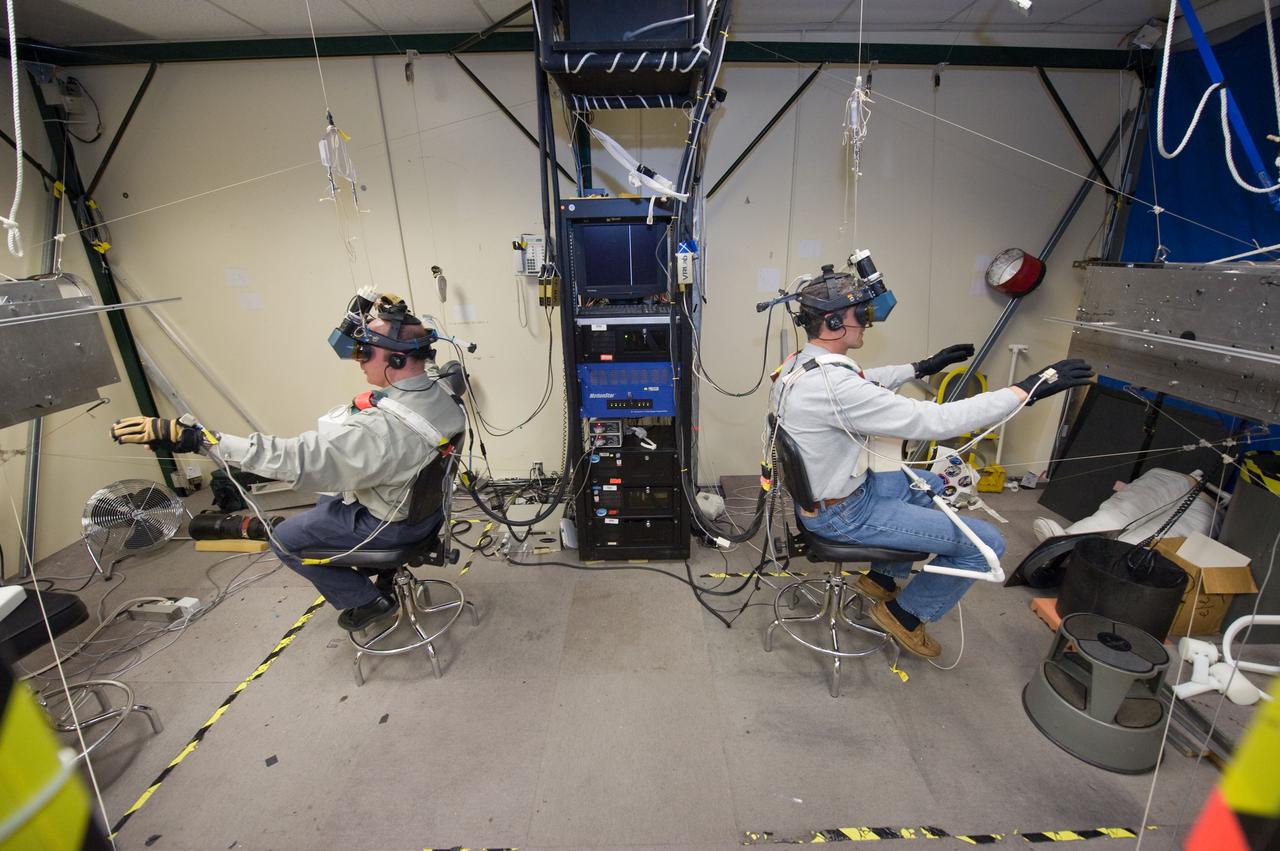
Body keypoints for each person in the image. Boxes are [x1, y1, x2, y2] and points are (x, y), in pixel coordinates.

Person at [769, 263, 1092, 658]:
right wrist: (1024, 391)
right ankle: (904, 614)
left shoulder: (798, 366)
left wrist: (920, 368)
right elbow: (934, 421)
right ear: (835, 321)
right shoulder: (835, 388)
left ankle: (882, 579)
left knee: (933, 484)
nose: (868, 323)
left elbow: (861, 379)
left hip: (833, 496)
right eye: (862, 315)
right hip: (843, 514)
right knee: (987, 543)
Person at [110, 292, 467, 632]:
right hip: (426, 513)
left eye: (364, 352)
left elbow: (295, 459)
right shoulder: (442, 393)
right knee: (330, 495)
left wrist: (200, 439)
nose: (358, 359)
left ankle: (368, 600)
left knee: (284, 538)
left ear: (397, 360)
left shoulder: (377, 431)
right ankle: (384, 572)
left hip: (392, 525)